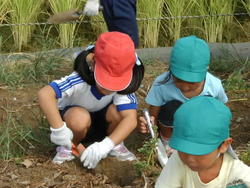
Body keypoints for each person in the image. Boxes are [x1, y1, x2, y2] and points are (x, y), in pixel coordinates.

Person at [38, 32, 144, 169]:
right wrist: (59, 129)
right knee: (78, 118)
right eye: (105, 81)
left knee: (118, 113)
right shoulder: (78, 80)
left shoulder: (127, 84)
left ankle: (116, 145)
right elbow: (44, 94)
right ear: (94, 63)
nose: (109, 88)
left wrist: (106, 145)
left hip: (105, 126)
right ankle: (69, 148)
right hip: (75, 127)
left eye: (115, 83)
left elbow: (130, 119)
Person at [139, 35, 228, 155]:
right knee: (171, 108)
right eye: (178, 80)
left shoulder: (214, 85)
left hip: (200, 126)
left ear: (205, 70)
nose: (185, 87)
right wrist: (150, 125)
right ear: (171, 69)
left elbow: (221, 110)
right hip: (172, 127)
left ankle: (201, 141)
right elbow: (153, 113)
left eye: (192, 82)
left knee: (208, 105)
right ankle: (168, 142)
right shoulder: (162, 84)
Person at [155, 96, 250, 188]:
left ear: (224, 145)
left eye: (198, 152)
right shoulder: (179, 159)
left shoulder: (239, 177)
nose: (189, 158)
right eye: (184, 149)